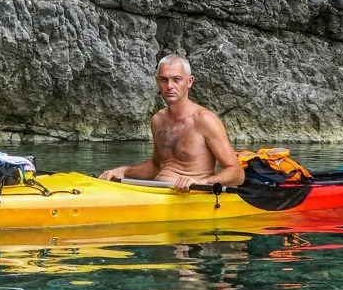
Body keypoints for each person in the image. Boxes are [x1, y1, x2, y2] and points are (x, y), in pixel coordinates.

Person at [98, 54, 249, 192]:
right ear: (157, 82)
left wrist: (201, 182)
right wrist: (123, 171)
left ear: (189, 82)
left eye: (177, 79)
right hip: (159, 191)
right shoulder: (158, 120)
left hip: (192, 196)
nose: (170, 86)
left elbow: (237, 174)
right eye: (164, 79)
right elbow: (156, 166)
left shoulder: (205, 120)